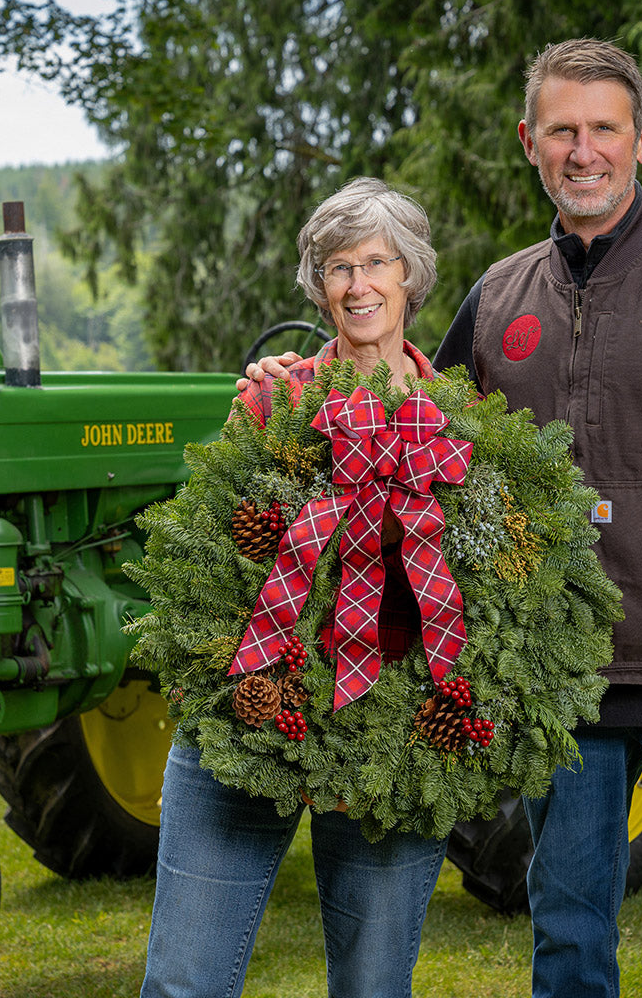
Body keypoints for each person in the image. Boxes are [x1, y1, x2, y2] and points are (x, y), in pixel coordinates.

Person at [244, 39, 642, 997]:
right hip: (563, 700)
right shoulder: (499, 297)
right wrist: (290, 386)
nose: (582, 150)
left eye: (603, 128)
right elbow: (404, 415)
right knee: (567, 953)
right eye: (561, 130)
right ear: (529, 142)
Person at [140, 177, 447, 998]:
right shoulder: (272, 398)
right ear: (318, 285)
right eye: (337, 268)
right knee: (183, 984)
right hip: (250, 719)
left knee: (374, 987)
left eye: (375, 262)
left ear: (409, 274)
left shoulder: (462, 420)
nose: (357, 286)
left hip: (388, 736)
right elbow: (209, 550)